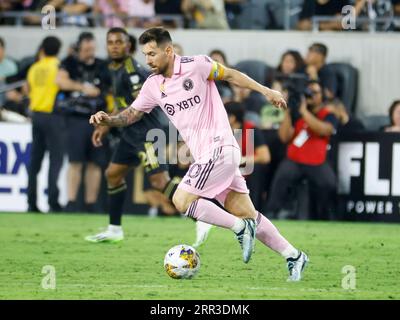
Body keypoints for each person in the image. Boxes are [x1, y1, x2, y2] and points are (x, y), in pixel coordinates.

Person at [90, 27, 308, 281]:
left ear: (168, 51)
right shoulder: (153, 85)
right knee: (248, 213)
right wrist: (109, 120)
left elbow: (232, 75)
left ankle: (239, 228)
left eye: (152, 54)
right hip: (208, 157)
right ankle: (294, 256)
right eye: (145, 54)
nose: (147, 60)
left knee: (182, 200)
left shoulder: (198, 65)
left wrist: (267, 91)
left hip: (220, 148)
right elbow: (132, 115)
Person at [85, 28, 180, 243]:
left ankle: (202, 213)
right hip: (130, 133)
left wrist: (109, 122)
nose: (115, 46)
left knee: (159, 182)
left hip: (148, 132)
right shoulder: (113, 68)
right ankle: (115, 229)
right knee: (113, 174)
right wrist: (107, 125)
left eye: (119, 42)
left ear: (129, 46)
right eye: (110, 42)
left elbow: (138, 107)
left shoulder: (133, 70)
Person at [266, 81, 338, 220]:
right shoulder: (296, 114)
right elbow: (284, 136)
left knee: (329, 184)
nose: (310, 95)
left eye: (315, 92)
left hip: (317, 161)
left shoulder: (328, 114)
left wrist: (304, 111)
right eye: (308, 92)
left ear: (322, 96)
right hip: (294, 160)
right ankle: (271, 213)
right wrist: (288, 112)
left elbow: (324, 130)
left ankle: (330, 217)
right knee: (280, 179)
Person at [56, 32, 110, 213]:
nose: (90, 52)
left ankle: (90, 203)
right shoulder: (69, 63)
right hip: (76, 119)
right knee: (75, 161)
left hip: (97, 120)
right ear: (79, 47)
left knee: (95, 163)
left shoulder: (102, 65)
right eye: (87, 49)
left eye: (92, 48)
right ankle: (71, 202)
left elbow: (111, 86)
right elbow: (61, 81)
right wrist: (83, 88)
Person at [26, 36, 64, 213]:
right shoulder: (58, 66)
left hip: (36, 115)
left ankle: (31, 202)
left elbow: (28, 89)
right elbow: (62, 85)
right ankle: (52, 202)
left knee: (35, 161)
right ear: (58, 49)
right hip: (52, 115)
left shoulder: (34, 67)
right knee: (55, 160)